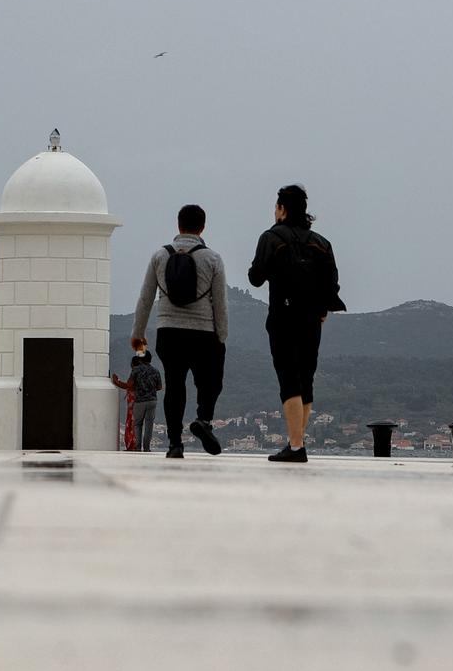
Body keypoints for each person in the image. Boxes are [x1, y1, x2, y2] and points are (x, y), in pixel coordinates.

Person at [248, 184, 346, 463]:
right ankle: (297, 442)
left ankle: (295, 445)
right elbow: (332, 284)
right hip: (313, 318)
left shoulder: (271, 237)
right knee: (306, 378)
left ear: (281, 208)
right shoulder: (321, 243)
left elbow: (256, 277)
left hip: (283, 315)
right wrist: (323, 311)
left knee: (288, 378)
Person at [130, 204, 230, 459]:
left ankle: (175, 444)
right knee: (209, 382)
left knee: (174, 386)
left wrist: (138, 333)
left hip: (169, 332)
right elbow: (220, 303)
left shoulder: (159, 256)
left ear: (178, 225)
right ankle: (203, 420)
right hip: (203, 333)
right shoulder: (212, 258)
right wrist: (222, 336)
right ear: (203, 227)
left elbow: (145, 298)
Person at [111, 346, 163, 451]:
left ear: (141, 359)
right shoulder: (156, 371)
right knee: (149, 425)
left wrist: (117, 382)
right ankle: (147, 448)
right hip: (152, 400)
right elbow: (159, 387)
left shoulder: (136, 370)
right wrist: (150, 389)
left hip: (139, 401)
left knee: (138, 424)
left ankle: (138, 447)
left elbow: (129, 385)